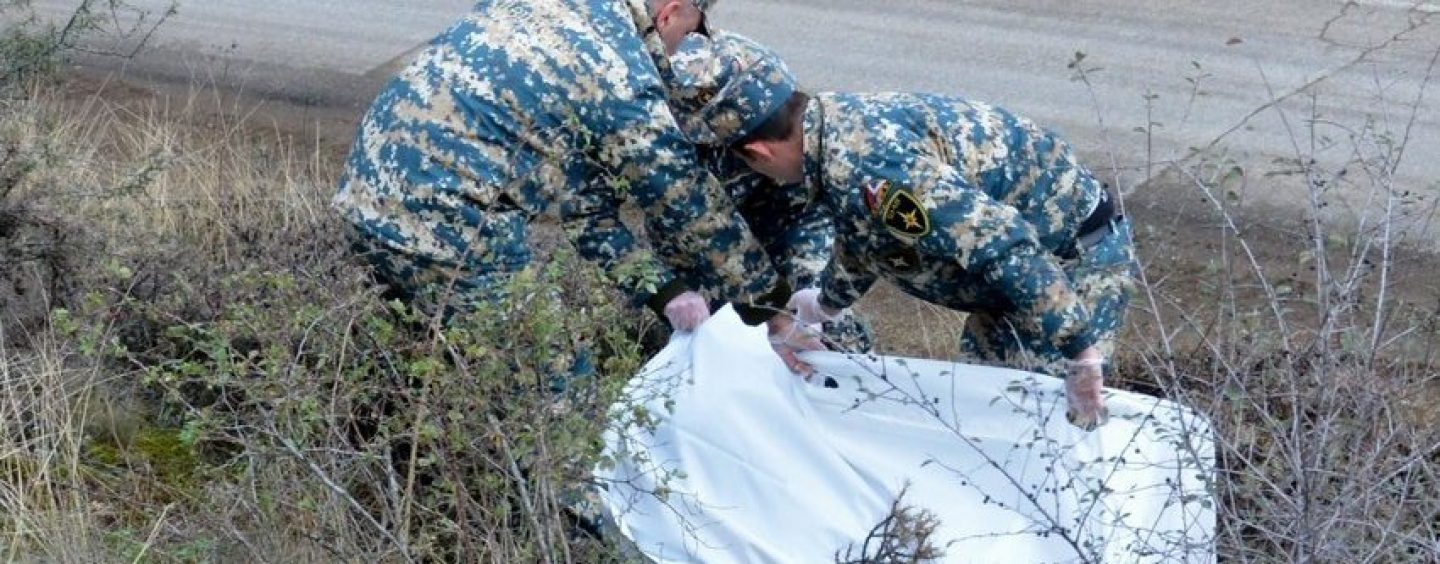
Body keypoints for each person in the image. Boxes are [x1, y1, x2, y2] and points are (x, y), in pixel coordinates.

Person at [688, 52, 1136, 429]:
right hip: (1012, 286)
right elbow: (872, 238)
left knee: (1053, 435)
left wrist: (1080, 351)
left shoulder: (871, 165)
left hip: (1065, 273)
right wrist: (823, 304)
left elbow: (1005, 243)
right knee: (988, 423)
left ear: (760, 152)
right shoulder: (829, 130)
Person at [332, 0, 793, 337]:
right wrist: (769, 309)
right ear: (668, 13)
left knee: (423, 355)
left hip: (364, 203)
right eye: (693, 33)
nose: (682, 52)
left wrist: (664, 289)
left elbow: (584, 210)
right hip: (449, 231)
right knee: (552, 390)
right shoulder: (618, 70)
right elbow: (684, 198)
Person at [663, 31, 874, 354]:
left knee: (827, 331)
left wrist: (800, 305)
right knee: (689, 340)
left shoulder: (757, 75)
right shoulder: (662, 135)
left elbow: (812, 207)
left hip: (786, 219)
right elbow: (687, 222)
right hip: (699, 244)